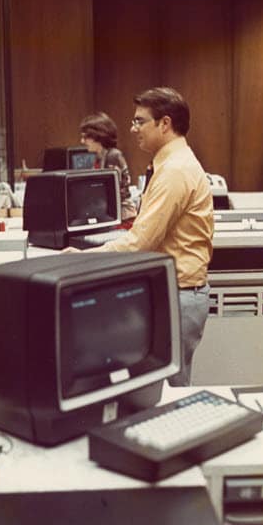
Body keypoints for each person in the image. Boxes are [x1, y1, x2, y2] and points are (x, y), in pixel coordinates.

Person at [66, 87, 214, 386]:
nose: (133, 129)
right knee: (160, 387)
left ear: (164, 123)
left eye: (139, 121)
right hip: (177, 292)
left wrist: (83, 259)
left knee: (169, 392)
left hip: (179, 294)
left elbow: (140, 242)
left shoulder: (175, 171)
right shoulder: (172, 164)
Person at [79, 112, 137, 226]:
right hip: (110, 215)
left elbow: (115, 194)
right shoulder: (99, 157)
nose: (82, 141)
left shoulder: (113, 156)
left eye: (85, 137)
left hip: (122, 216)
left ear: (97, 135)